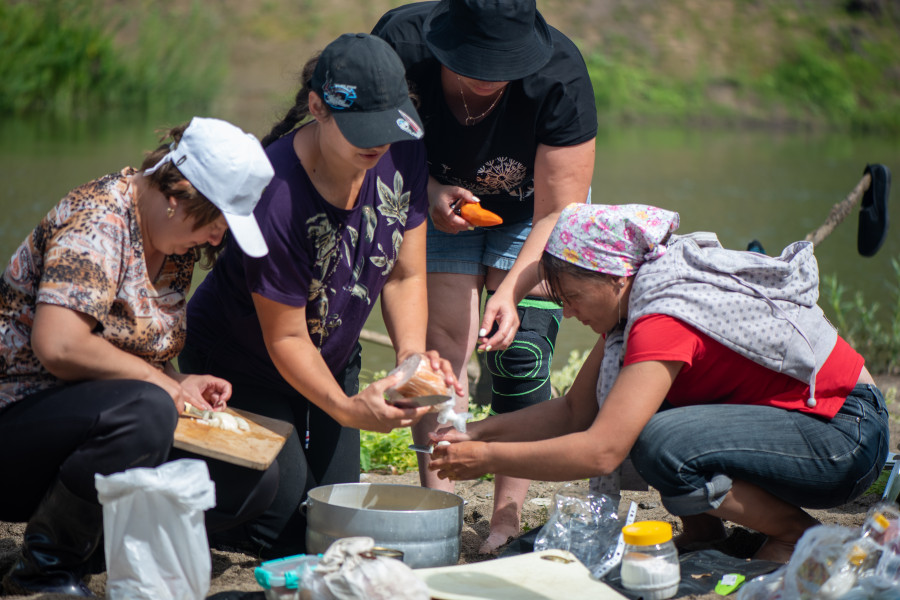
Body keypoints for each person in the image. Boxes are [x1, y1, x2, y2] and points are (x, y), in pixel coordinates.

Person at [429, 202, 890, 564]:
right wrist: (475, 432)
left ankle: (798, 535)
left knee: (658, 440)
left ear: (613, 277)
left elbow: (602, 449)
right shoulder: (629, 308)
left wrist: (486, 458)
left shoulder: (661, 316)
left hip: (845, 436)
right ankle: (707, 531)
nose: (567, 312)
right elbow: (574, 412)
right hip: (799, 427)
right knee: (631, 413)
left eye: (571, 296)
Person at [179, 33, 461, 558]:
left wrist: (410, 362)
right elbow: (285, 335)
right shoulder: (276, 193)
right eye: (363, 130)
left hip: (332, 357)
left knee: (341, 517)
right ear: (317, 108)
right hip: (239, 367)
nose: (379, 144)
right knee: (286, 532)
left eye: (389, 127)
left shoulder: (405, 151)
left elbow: (403, 276)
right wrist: (350, 411)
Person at [0, 116, 278, 596]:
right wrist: (161, 386)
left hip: (95, 422)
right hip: (18, 424)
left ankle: (100, 550)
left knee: (257, 476)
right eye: (217, 222)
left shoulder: (175, 243)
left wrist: (177, 381)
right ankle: (44, 570)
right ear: (178, 195)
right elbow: (60, 344)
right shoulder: (99, 218)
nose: (218, 239)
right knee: (146, 410)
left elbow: (138, 353)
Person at [372, 0, 598, 552]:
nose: (490, 78)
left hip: (532, 214)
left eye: (505, 65)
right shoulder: (402, 43)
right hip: (432, 197)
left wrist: (511, 289)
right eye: (475, 64)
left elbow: (558, 211)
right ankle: (439, 506)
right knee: (439, 354)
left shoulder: (559, 74)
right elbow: (366, 148)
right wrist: (425, 194)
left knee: (519, 354)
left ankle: (507, 517)